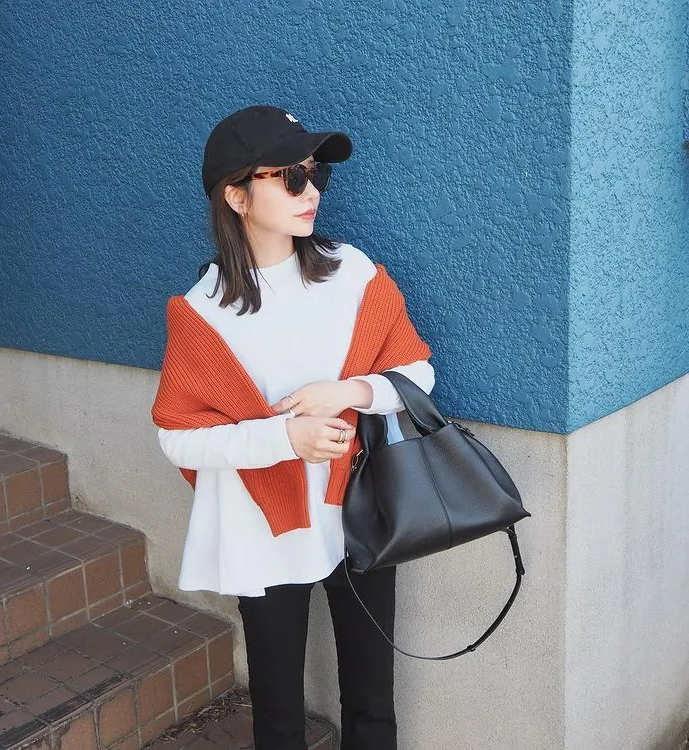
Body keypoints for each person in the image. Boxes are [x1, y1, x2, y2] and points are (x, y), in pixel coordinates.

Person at [151, 105, 435, 750]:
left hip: (359, 511)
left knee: (372, 703)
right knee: (277, 719)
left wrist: (351, 392)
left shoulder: (352, 272)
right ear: (236, 196)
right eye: (289, 176)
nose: (310, 192)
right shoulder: (202, 311)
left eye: (315, 174)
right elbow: (177, 433)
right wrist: (284, 439)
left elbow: (416, 372)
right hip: (261, 527)